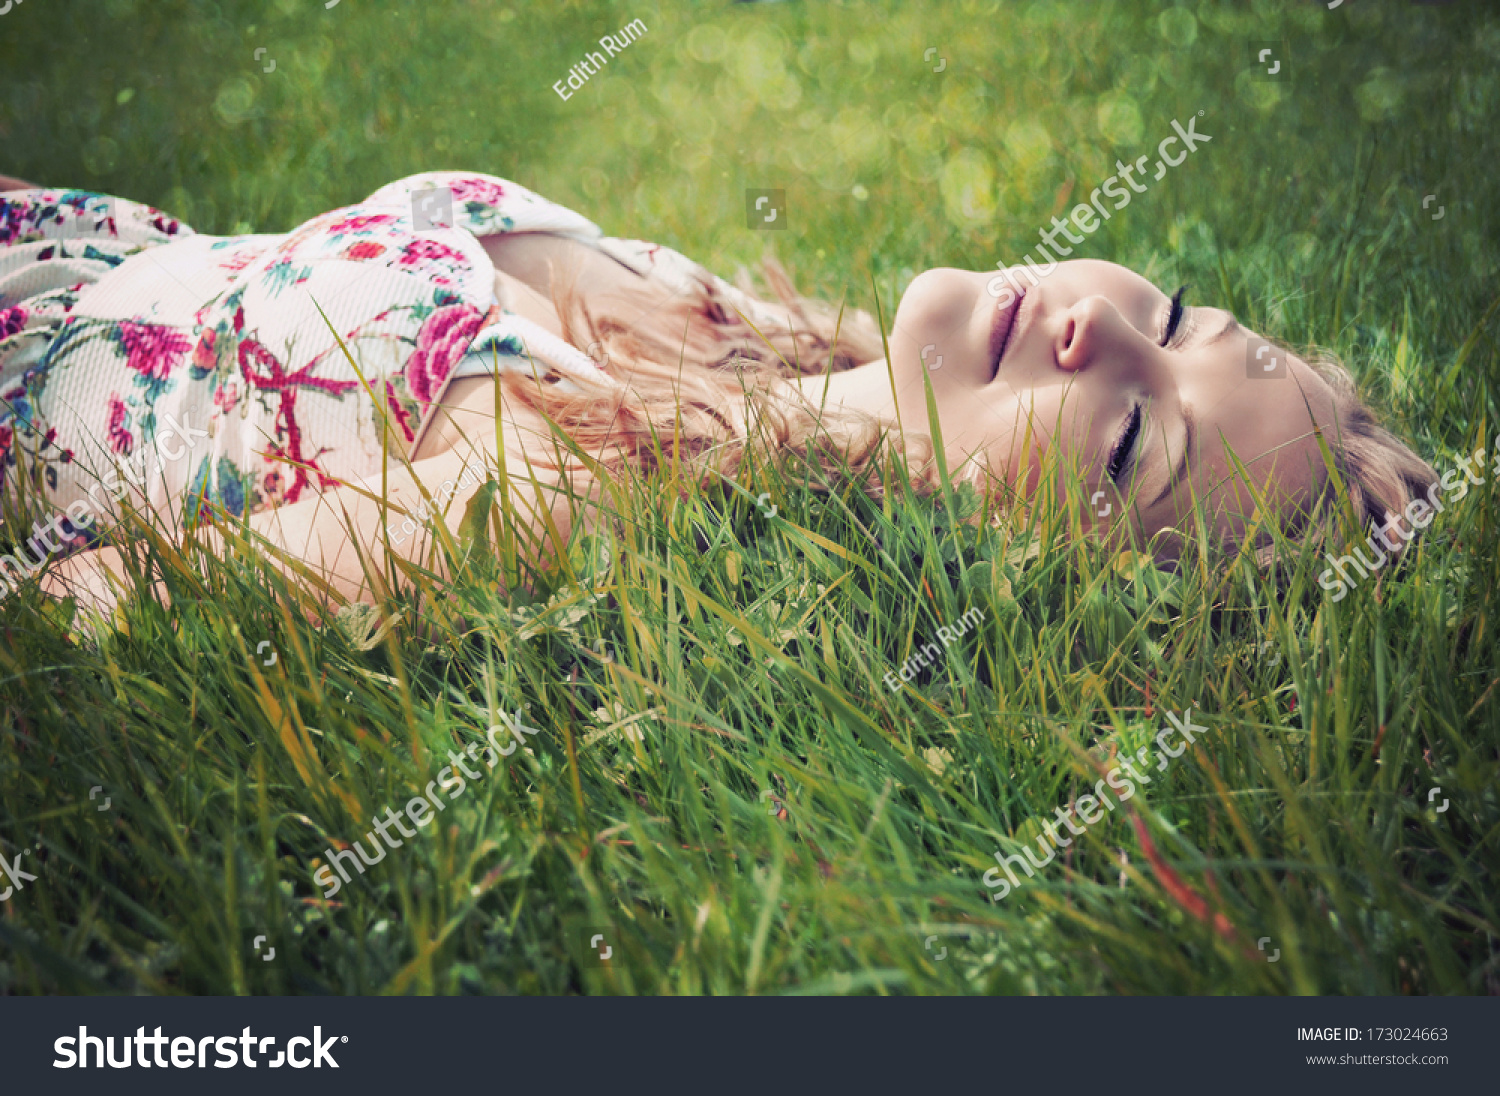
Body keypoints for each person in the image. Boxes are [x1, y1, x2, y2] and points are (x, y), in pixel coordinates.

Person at [0, 171, 1434, 614]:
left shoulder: (585, 493)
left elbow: (96, 609)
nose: (1106, 333)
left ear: (1036, 567)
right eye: (1177, 314)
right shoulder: (751, 334)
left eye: (1135, 439)